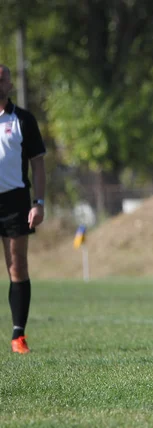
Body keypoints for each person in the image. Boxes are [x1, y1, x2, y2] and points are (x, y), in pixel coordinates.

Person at [0, 64, 46, 354]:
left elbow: (38, 164)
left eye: (2, 77)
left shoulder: (23, 120)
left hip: (16, 199)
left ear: (9, 83)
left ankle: (18, 335)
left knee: (17, 265)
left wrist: (38, 202)